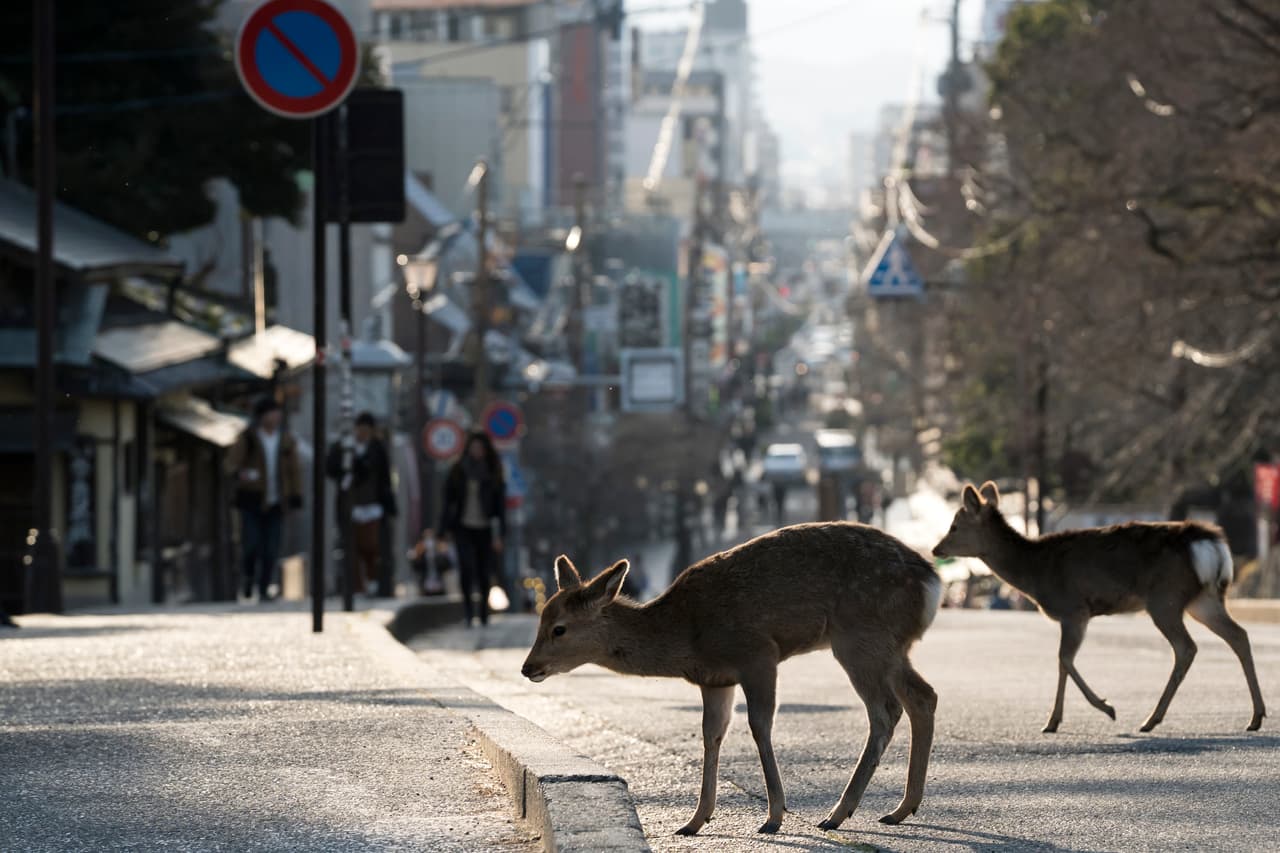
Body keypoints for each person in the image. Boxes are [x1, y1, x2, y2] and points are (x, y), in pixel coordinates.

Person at [226, 396, 303, 601]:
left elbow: (294, 470)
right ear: (262, 416)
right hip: (251, 498)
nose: (275, 416)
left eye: (277, 412)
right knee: (250, 543)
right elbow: (231, 464)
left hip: (277, 500)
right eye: (271, 412)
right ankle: (248, 580)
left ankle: (264, 587)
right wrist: (241, 474)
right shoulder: (249, 438)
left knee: (271, 547)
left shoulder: (285, 440)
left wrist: (296, 494)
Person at [439, 431, 506, 626]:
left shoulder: (493, 471)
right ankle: (469, 612)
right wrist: (442, 530)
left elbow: (500, 506)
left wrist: (500, 534)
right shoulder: (458, 470)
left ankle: (484, 611)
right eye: (473, 447)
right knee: (467, 568)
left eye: (480, 448)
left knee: (484, 571)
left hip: (485, 528)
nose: (477, 451)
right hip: (463, 527)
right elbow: (448, 501)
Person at [327, 412, 397, 595]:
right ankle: (356, 586)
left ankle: (373, 580)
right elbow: (330, 468)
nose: (363, 433)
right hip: (350, 504)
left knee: (371, 546)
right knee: (351, 546)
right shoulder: (343, 447)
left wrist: (388, 502)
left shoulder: (377, 449)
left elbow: (385, 479)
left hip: (372, 505)